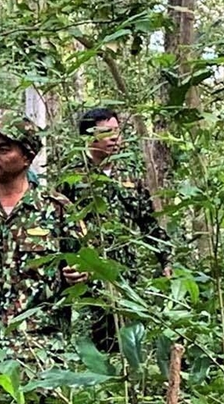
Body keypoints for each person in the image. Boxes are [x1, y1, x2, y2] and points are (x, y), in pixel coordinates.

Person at [0, 111, 86, 367]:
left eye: (3, 149)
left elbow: (88, 272)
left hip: (42, 355)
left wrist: (81, 275)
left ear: (26, 158)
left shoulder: (57, 211)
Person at [61, 107, 172, 351]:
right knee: (98, 345)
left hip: (127, 275)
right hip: (89, 278)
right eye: (107, 132)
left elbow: (148, 221)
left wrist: (165, 259)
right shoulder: (71, 177)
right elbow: (61, 228)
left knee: (130, 341)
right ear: (89, 136)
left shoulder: (129, 174)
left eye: (117, 132)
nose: (115, 138)